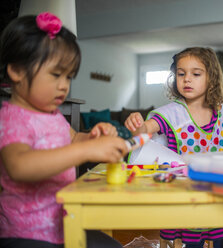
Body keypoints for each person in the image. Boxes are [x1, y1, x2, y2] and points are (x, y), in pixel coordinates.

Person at [0, 13, 127, 248]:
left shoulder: (53, 116)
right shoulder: (12, 118)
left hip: (63, 225)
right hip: (25, 234)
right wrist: (86, 150)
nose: (64, 86)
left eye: (69, 77)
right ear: (16, 70)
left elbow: (74, 138)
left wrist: (92, 136)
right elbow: (19, 166)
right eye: (56, 75)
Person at [124, 47, 223, 248]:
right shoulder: (172, 113)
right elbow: (145, 131)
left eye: (196, 74)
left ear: (211, 78)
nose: (186, 79)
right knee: (185, 241)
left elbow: (222, 144)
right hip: (183, 196)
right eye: (181, 73)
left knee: (218, 239)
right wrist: (137, 124)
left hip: (216, 192)